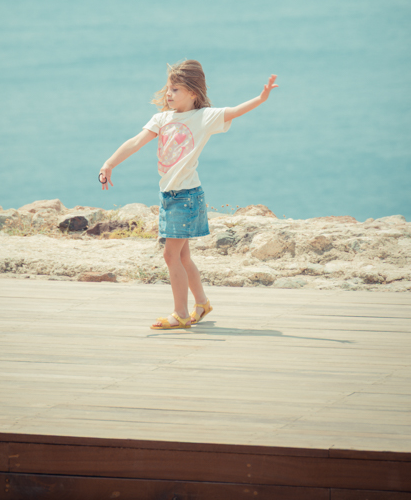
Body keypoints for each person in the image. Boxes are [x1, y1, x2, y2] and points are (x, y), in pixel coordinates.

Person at [98, 60, 278, 331]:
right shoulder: (162, 119)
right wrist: (109, 163)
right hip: (169, 196)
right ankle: (202, 303)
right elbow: (135, 142)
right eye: (168, 89)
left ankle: (181, 314)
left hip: (186, 197)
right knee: (182, 258)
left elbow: (235, 111)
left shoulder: (203, 117)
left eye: (176, 90)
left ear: (193, 93)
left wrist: (261, 98)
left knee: (170, 256)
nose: (169, 94)